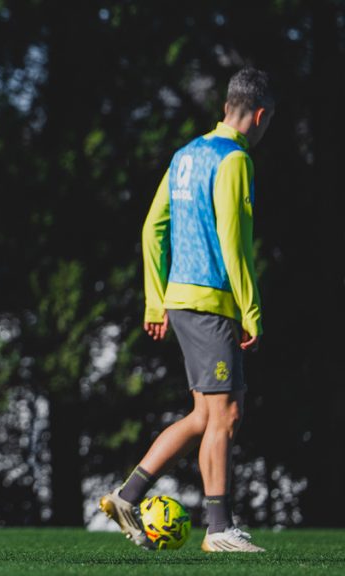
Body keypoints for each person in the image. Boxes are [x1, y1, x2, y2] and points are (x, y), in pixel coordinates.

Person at [100, 67, 275, 553]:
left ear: (226, 109)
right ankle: (218, 528)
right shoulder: (235, 160)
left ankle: (127, 495)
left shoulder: (184, 156)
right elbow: (234, 244)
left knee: (206, 415)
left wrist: (156, 299)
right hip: (212, 303)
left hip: (180, 301)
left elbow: (151, 227)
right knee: (227, 414)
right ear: (259, 116)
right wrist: (252, 311)